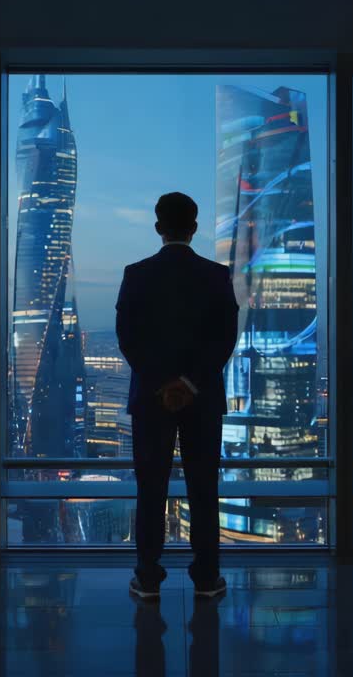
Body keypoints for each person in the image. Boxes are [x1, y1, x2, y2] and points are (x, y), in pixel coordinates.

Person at [116, 191, 238, 600]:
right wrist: (189, 384)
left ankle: (147, 577)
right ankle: (207, 578)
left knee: (151, 489)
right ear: (195, 227)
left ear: (158, 227)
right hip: (202, 400)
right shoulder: (216, 275)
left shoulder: (136, 274)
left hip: (151, 400)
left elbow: (127, 339)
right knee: (203, 488)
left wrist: (161, 383)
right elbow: (225, 339)